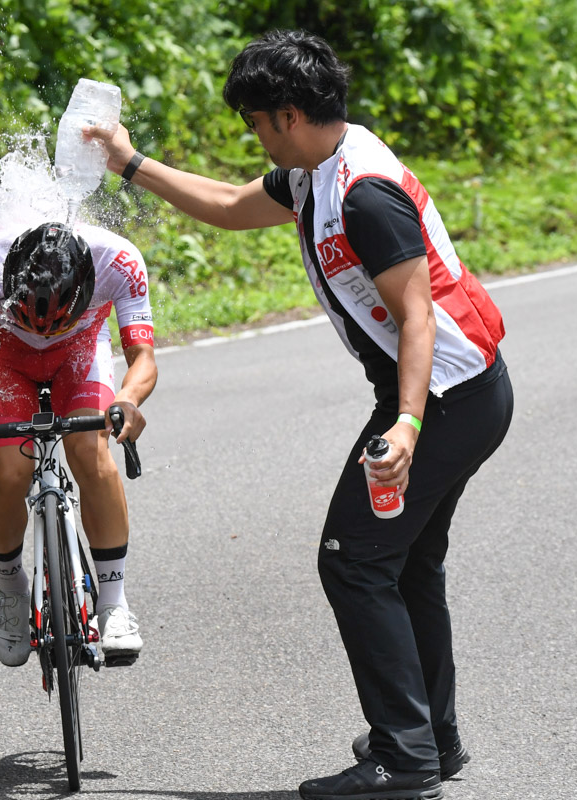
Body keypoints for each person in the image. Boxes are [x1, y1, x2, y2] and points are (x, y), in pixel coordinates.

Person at [87, 29, 513, 800]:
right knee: (405, 561)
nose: (253, 136)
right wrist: (128, 162)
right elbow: (224, 205)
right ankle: (430, 738)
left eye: (254, 121)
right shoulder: (314, 172)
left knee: (352, 558)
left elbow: (416, 316)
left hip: (447, 396)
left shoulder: (362, 192)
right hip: (453, 391)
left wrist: (407, 427)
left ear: (286, 114)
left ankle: (403, 757)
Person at [0, 221, 157, 668]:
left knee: (89, 449)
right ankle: (12, 587)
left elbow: (143, 359)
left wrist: (128, 401)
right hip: (6, 356)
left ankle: (113, 603)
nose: (44, 330)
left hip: (80, 351)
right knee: (9, 470)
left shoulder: (118, 260)